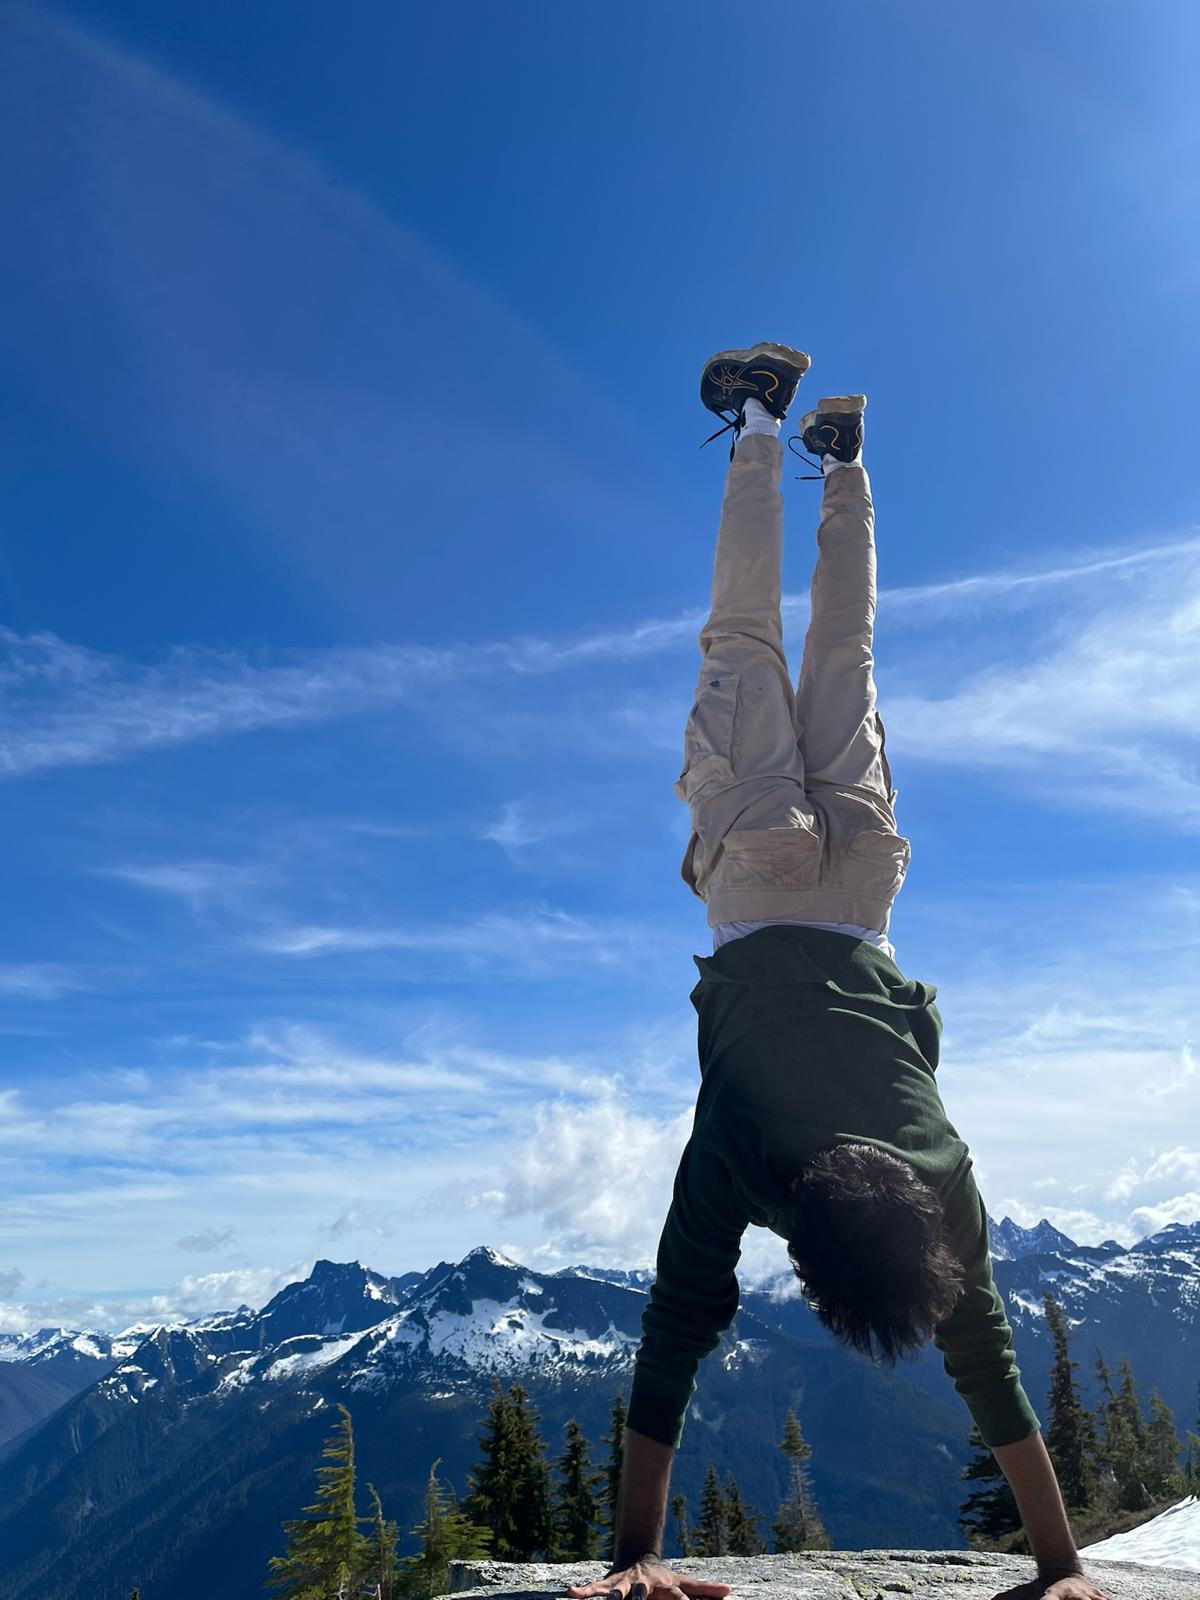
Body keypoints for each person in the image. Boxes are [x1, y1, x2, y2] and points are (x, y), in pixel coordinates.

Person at [566, 345, 1111, 1600]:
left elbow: (984, 1352)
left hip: (864, 893)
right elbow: (677, 1324)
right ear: (800, 1249)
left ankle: (844, 460)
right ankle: (760, 416)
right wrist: (637, 1555)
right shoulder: (741, 1151)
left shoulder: (942, 1169)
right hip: (759, 883)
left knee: (846, 654)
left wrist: (1064, 1567)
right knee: (743, 638)